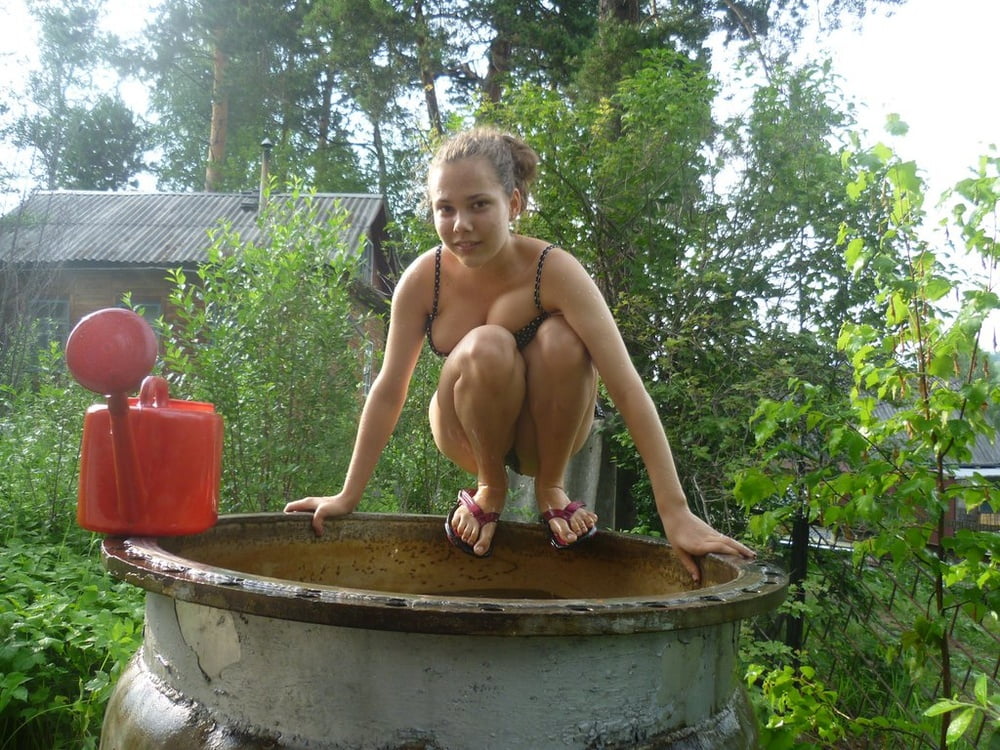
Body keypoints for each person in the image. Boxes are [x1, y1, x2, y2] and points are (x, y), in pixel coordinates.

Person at [285, 126, 754, 581]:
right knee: (488, 342)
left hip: (547, 435)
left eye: (479, 205)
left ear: (514, 203)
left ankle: (551, 486)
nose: (461, 225)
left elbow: (627, 388)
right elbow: (389, 389)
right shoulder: (422, 279)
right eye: (444, 208)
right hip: (464, 431)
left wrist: (675, 512)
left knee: (564, 340)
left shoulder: (553, 270)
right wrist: (348, 495)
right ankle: (490, 487)